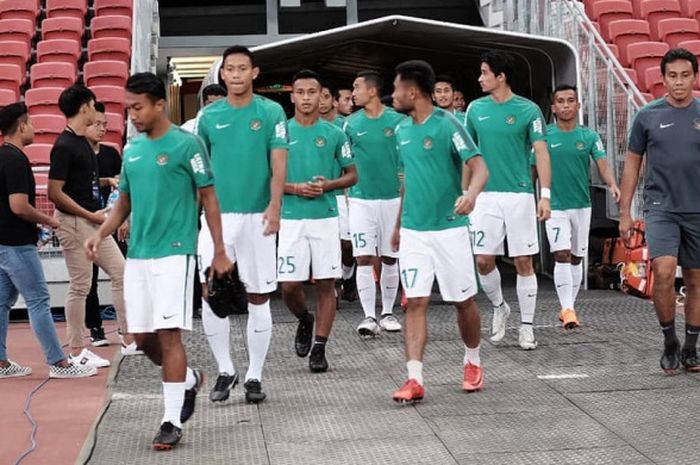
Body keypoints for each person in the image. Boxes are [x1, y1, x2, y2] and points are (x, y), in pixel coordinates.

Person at [85, 72, 233, 449]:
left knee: (169, 335)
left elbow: (210, 198)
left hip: (175, 253)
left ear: (159, 104)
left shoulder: (188, 145)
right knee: (140, 337)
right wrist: (101, 233)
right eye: (127, 108)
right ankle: (187, 380)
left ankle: (170, 421)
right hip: (138, 256)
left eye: (137, 107)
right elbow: (124, 203)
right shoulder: (132, 150)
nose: (131, 115)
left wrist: (218, 249)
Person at [390, 60, 488, 403]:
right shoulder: (401, 131)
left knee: (463, 301)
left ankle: (473, 361)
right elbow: (409, 181)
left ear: (412, 91)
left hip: (450, 230)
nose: (393, 94)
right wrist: (398, 224)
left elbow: (479, 167)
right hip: (415, 231)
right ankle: (414, 378)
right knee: (415, 301)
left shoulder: (448, 125)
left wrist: (470, 195)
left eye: (396, 88)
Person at [195, 45, 288, 403]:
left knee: (258, 294)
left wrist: (275, 205)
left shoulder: (271, 111)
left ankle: (254, 375)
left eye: (241, 69)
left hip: (258, 215)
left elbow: (278, 161)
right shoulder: (208, 116)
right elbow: (200, 172)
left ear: (254, 73)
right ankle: (224, 370)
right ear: (222, 75)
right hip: (217, 218)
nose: (235, 75)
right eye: (229, 69)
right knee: (211, 292)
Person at [0, 102, 96, 379]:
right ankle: (58, 362)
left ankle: (2, 362)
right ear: (20, 127)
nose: (34, 128)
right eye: (30, 123)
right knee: (39, 300)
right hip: (17, 244)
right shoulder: (16, 160)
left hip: (4, 244)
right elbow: (19, 205)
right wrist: (49, 220)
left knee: (4, 302)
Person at [620, 48, 700, 374]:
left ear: (694, 77)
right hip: (661, 209)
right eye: (672, 76)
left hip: (697, 210)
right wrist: (624, 211)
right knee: (664, 272)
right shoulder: (647, 116)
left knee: (695, 280)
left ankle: (692, 347)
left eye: (685, 75)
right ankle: (670, 341)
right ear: (663, 78)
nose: (678, 82)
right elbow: (632, 165)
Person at [464, 51, 551, 350]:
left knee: (523, 261)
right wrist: (466, 194)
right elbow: (469, 156)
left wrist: (545, 196)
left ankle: (527, 328)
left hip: (519, 195)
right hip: (485, 196)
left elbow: (541, 152)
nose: (480, 78)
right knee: (484, 261)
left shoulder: (529, 110)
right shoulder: (475, 109)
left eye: (485, 72)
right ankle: (500, 306)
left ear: (500, 77)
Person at [279, 69, 357, 373]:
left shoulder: (336, 133)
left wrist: (328, 185)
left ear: (321, 95)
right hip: (290, 218)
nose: (307, 98)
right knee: (289, 286)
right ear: (293, 96)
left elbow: (352, 174)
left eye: (313, 92)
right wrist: (294, 188)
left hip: (325, 218)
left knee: (327, 283)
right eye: (301, 92)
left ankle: (320, 346)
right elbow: (269, 177)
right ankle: (303, 319)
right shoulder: (280, 133)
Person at [48, 85, 126, 368]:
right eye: (93, 105)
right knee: (81, 285)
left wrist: (101, 200)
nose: (97, 111)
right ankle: (78, 348)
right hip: (75, 223)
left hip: (94, 220)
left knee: (121, 273)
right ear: (84, 108)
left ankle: (129, 337)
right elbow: (54, 192)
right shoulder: (64, 146)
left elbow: (83, 183)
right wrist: (88, 215)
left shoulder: (83, 142)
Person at [535, 85, 620, 328]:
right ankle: (568, 309)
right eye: (560, 101)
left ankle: (568, 306)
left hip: (582, 205)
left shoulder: (589, 136)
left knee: (575, 257)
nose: (565, 105)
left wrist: (612, 184)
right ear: (553, 107)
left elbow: (602, 164)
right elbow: (533, 169)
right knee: (560, 254)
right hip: (555, 206)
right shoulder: (544, 137)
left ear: (577, 105)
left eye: (570, 100)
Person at [346, 70, 405, 336]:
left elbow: (407, 165)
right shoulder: (350, 124)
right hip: (360, 200)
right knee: (363, 257)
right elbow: (344, 163)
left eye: (356, 88)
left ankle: (388, 312)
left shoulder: (399, 121)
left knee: (390, 258)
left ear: (372, 91)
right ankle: (369, 316)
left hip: (392, 198)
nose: (353, 93)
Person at [83, 102, 138, 354]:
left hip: (114, 221)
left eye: (105, 124)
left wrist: (123, 218)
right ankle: (94, 328)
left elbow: (122, 189)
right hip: (87, 221)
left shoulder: (111, 154)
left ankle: (126, 328)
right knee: (88, 280)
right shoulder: (78, 153)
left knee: (124, 273)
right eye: (97, 124)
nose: (102, 129)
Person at [320, 81, 356, 301]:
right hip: (319, 196)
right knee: (328, 242)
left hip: (343, 194)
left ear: (333, 101)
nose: (320, 100)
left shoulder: (345, 126)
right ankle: (333, 286)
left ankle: (347, 274)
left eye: (325, 96)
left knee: (347, 243)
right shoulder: (304, 126)